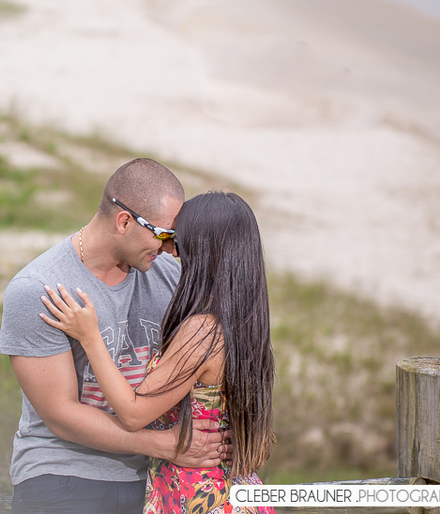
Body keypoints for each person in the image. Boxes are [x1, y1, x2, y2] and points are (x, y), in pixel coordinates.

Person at [0, 159, 229, 514]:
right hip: (64, 475)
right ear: (124, 222)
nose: (170, 247)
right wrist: (168, 445)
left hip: (154, 480)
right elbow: (60, 415)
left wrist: (218, 437)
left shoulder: (170, 276)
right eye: (163, 234)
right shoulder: (39, 289)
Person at [39, 191, 276, 514]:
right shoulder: (241, 322)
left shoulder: (202, 332)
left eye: (177, 239)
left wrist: (90, 337)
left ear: (202, 248)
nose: (169, 249)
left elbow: (134, 413)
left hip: (201, 496)